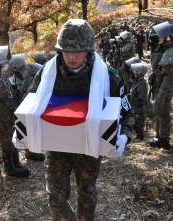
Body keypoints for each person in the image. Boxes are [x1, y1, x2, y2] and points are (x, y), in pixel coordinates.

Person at [26, 19, 133, 221]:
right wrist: (22, 129)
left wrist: (124, 136)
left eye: (78, 51)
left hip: (88, 145)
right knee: (55, 198)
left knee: (86, 194)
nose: (72, 57)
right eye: (66, 51)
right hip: (56, 144)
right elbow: (30, 103)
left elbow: (126, 110)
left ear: (89, 51)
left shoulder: (106, 76)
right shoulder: (48, 73)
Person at [0, 50, 31, 178]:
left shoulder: (2, 80)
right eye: (2, 64)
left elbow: (10, 93)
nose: (5, 65)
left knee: (13, 143)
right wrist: (5, 74)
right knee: (7, 145)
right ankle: (10, 169)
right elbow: (1, 92)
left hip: (9, 119)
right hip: (2, 121)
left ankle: (16, 164)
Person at [148, 21, 173, 149]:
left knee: (161, 109)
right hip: (159, 82)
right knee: (159, 111)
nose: (157, 38)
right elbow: (156, 69)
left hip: (166, 83)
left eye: (160, 36)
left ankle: (164, 139)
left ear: (168, 38)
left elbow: (163, 71)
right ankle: (160, 136)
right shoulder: (163, 48)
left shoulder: (172, 50)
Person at [130, 62, 148, 140]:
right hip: (135, 106)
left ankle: (140, 136)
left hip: (139, 107)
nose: (134, 73)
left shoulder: (142, 84)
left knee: (138, 123)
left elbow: (142, 98)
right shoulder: (137, 82)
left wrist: (138, 109)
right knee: (135, 123)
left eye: (135, 72)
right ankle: (138, 135)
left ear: (139, 73)